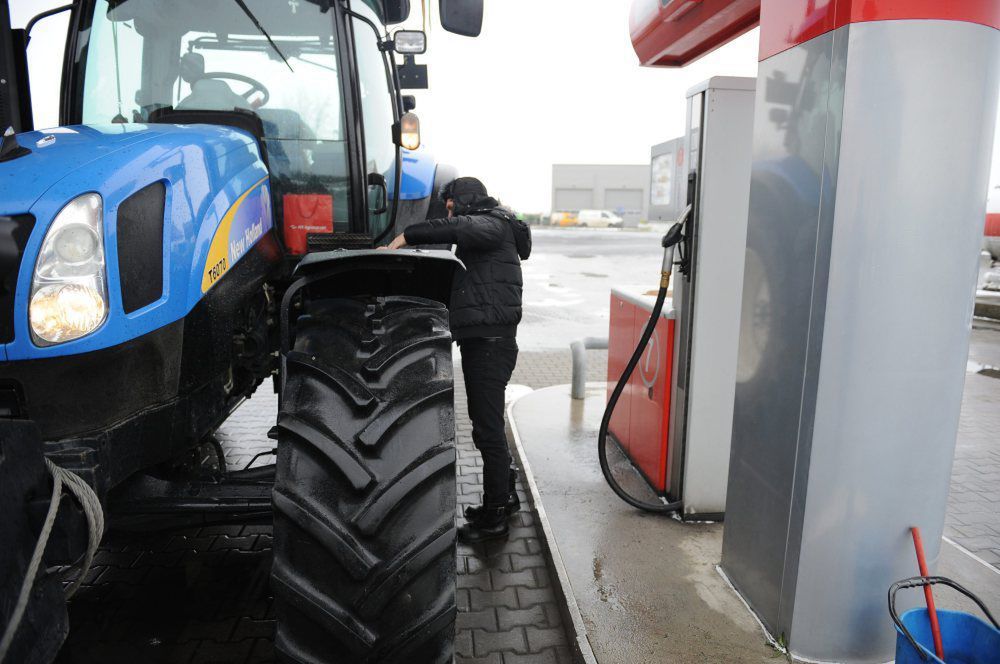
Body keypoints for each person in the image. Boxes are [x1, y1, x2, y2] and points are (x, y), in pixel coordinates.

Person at [381, 177, 531, 543]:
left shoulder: (492, 223)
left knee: (487, 430)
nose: (448, 210)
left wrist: (404, 237)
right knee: (487, 425)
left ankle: (495, 516)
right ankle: (504, 497)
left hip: (490, 344)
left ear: (464, 200)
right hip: (487, 341)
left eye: (450, 204)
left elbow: (457, 227)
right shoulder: (495, 224)